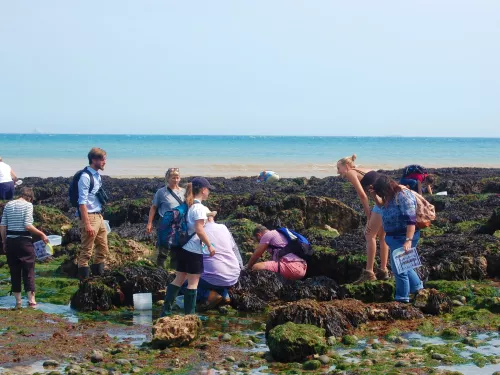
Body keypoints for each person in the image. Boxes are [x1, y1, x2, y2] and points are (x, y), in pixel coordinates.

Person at [162, 177, 216, 316]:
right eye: (208, 189)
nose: (209, 192)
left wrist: (209, 215)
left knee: (179, 279)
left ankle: (166, 311)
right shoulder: (199, 208)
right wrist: (209, 245)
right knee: (193, 283)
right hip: (193, 250)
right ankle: (189, 315)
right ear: (203, 190)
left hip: (182, 248)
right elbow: (199, 229)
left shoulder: (190, 205)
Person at [337, 155, 389, 283]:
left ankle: (369, 272)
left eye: (339, 168)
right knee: (382, 237)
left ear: (347, 166)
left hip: (381, 204)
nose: (338, 172)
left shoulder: (351, 173)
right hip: (389, 201)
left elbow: (362, 194)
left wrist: (368, 214)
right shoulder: (363, 169)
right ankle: (383, 270)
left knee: (369, 235)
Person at [372, 175, 423, 303]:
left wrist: (408, 240)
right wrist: (374, 195)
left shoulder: (403, 196)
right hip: (393, 237)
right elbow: (383, 206)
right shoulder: (390, 195)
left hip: (403, 236)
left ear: (386, 188)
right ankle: (418, 288)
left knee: (399, 270)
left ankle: (402, 298)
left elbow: (411, 220)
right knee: (405, 265)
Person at [182, 211, 243, 310]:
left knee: (185, 284)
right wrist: (241, 268)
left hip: (214, 277)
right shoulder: (224, 228)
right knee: (216, 274)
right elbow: (235, 250)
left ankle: (209, 295)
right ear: (212, 218)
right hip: (233, 276)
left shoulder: (199, 232)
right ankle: (224, 295)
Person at [0, 187, 48, 308]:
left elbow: (3, 225)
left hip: (10, 241)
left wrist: (4, 242)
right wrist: (42, 234)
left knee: (14, 271)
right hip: (24, 242)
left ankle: (18, 302)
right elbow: (27, 225)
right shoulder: (28, 205)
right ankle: (32, 300)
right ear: (30, 198)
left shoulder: (8, 205)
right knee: (28, 270)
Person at [77, 148, 109, 281]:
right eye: (102, 159)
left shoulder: (97, 175)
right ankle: (84, 282)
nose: (105, 162)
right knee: (86, 251)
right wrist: (87, 224)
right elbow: (81, 203)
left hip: (99, 215)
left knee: (103, 248)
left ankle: (98, 277)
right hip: (89, 216)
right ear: (94, 160)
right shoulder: (85, 177)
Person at [146, 168, 186, 268]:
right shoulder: (161, 192)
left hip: (180, 224)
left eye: (177, 178)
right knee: (163, 249)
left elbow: (188, 207)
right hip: (165, 223)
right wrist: (149, 223)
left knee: (176, 250)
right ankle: (160, 269)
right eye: (173, 178)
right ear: (167, 178)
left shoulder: (184, 192)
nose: (176, 180)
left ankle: (173, 271)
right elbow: (153, 207)